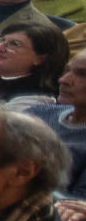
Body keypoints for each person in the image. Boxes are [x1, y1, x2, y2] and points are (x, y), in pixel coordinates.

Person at [25, 51, 86, 207]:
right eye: (67, 71)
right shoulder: (39, 112)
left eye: (82, 75)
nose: (63, 80)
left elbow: (76, 206)